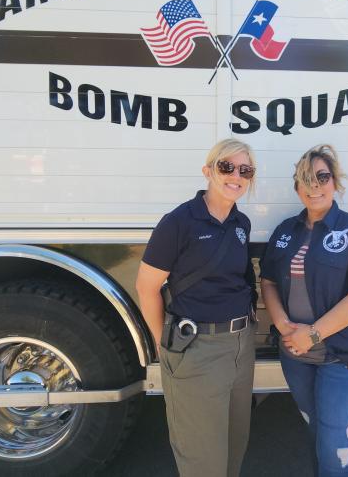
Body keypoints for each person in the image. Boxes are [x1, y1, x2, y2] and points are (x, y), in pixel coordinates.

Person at [259, 144, 348, 476]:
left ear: (335, 182)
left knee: (336, 452)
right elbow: (270, 281)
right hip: (296, 356)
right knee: (319, 437)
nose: (314, 185)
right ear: (297, 188)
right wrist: (282, 323)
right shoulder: (285, 231)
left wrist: (313, 334)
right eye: (306, 179)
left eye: (322, 176)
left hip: (341, 356)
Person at [135, 139, 258, 477]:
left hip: (240, 348)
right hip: (197, 350)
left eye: (245, 170)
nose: (236, 175)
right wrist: (167, 348)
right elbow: (146, 288)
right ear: (208, 171)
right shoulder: (178, 222)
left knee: (235, 449)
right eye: (226, 167)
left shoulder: (241, 224)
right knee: (204, 462)